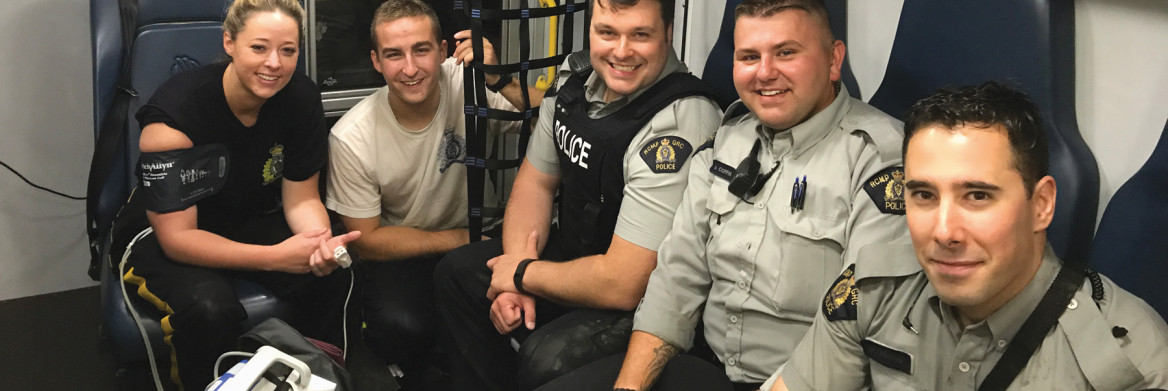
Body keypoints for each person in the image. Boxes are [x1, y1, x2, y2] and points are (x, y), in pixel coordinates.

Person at [533, 1, 909, 390]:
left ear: (834, 60)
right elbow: (677, 280)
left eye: (786, 52)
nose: (765, 73)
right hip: (705, 368)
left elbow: (859, 326)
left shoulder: (880, 161)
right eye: (749, 56)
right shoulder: (728, 140)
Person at [771, 82, 1168, 390]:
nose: (944, 232)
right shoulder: (869, 291)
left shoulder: (1132, 358)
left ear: (1042, 204)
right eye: (924, 195)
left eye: (977, 196)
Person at [432, 0, 725, 389]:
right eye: (607, 33)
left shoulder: (679, 121)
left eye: (641, 34)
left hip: (638, 295)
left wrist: (521, 275)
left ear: (668, 34)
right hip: (573, 254)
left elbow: (624, 282)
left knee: (547, 360)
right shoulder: (576, 77)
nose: (621, 51)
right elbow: (536, 183)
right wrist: (517, 267)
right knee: (457, 275)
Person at [108, 0, 360, 389]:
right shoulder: (174, 117)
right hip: (163, 233)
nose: (274, 63)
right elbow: (178, 240)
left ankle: (317, 378)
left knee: (330, 274)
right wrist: (275, 258)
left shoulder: (301, 98)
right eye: (259, 47)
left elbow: (302, 198)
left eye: (288, 50)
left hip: (247, 215)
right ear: (229, 43)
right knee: (210, 310)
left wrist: (318, 244)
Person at [324, 0, 540, 386]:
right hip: (410, 250)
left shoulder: (467, 83)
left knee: (518, 328)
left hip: (481, 242)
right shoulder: (351, 136)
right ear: (376, 61)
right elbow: (368, 242)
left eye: (421, 50)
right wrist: (460, 238)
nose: (410, 69)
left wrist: (499, 78)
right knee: (400, 325)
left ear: (443, 51)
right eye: (394, 55)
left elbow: (553, 120)